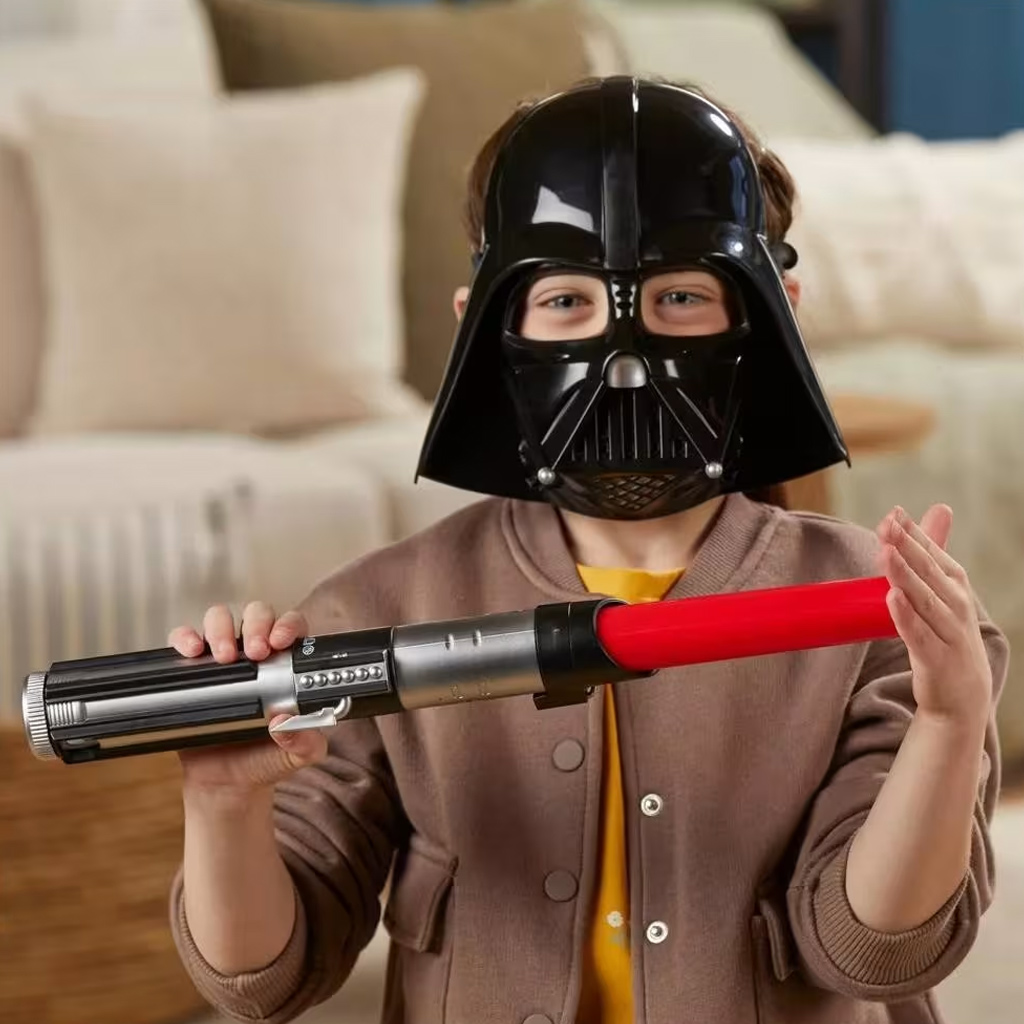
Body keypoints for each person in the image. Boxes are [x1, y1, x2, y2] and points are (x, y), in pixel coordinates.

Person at [167, 77, 1008, 1024]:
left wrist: (949, 724)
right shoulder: (377, 615)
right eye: (566, 299)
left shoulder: (872, 616)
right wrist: (225, 806)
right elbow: (265, 977)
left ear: (773, 313)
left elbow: (875, 949)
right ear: (488, 325)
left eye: (680, 296)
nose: (625, 358)